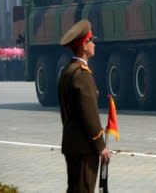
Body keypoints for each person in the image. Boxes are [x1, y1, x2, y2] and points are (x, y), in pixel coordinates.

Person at [58, 19, 111, 192]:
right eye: (91, 41)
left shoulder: (68, 72)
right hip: (84, 149)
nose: (94, 44)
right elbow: (89, 115)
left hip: (72, 144)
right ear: (83, 45)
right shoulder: (82, 75)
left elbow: (65, 113)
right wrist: (101, 147)